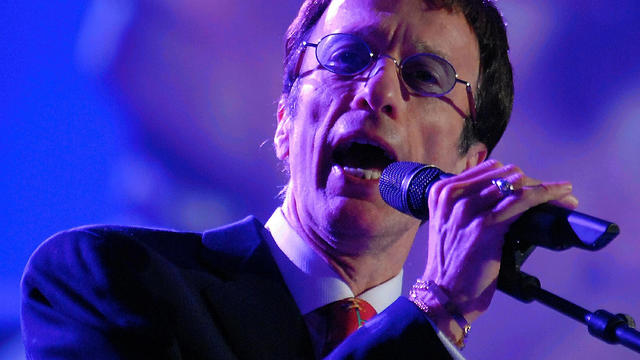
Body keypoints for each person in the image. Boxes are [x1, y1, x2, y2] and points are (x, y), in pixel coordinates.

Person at [21, 0, 578, 359]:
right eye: (347, 56)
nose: (378, 92)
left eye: (426, 76)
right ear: (285, 120)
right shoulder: (111, 279)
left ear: (468, 171)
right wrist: (436, 311)